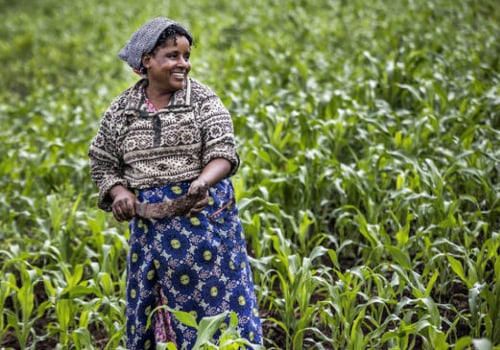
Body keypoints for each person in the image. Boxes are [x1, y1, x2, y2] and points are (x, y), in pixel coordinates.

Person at [88, 17, 263, 349]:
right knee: (157, 303)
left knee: (217, 307)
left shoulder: (202, 100)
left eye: (186, 55)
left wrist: (202, 181)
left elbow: (223, 151)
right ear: (146, 61)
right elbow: (102, 160)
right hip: (151, 229)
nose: (183, 64)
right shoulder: (122, 111)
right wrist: (119, 191)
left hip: (206, 224)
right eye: (173, 56)